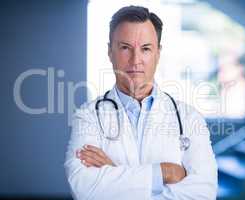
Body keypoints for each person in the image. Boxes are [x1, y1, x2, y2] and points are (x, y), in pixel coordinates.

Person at [64, 5, 217, 200]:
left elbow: (203, 193)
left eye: (145, 49)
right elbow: (84, 188)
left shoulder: (189, 118)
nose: (136, 60)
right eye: (125, 48)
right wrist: (166, 172)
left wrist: (115, 174)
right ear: (110, 52)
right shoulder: (88, 116)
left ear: (158, 54)